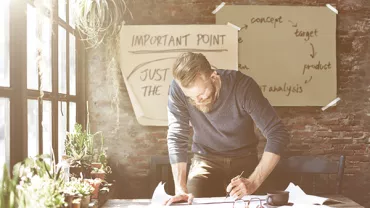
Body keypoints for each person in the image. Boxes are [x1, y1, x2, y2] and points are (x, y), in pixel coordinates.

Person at [165, 52, 290, 206]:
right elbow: (177, 136)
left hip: (243, 158)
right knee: (192, 202)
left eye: (201, 93)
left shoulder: (243, 87)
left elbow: (278, 134)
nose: (197, 101)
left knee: (253, 203)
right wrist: (180, 188)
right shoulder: (177, 89)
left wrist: (253, 182)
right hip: (205, 159)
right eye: (191, 97)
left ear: (213, 76)